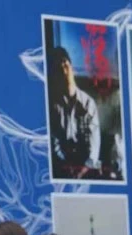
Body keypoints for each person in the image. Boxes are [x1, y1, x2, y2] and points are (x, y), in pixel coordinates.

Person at [48, 47, 101, 180]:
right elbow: (54, 142)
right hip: (64, 168)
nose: (63, 69)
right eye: (59, 67)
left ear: (72, 67)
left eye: (65, 64)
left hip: (86, 168)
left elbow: (94, 145)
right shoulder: (53, 106)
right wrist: (66, 167)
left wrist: (83, 170)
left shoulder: (88, 104)